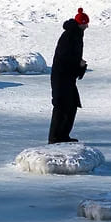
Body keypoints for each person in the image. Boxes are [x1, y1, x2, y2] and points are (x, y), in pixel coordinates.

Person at [48, 9, 89, 144]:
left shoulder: (77, 34)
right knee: (61, 106)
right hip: (61, 77)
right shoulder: (69, 35)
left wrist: (80, 65)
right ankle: (55, 137)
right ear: (80, 23)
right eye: (85, 23)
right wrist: (78, 63)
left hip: (68, 77)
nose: (87, 26)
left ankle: (63, 135)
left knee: (71, 106)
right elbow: (64, 56)